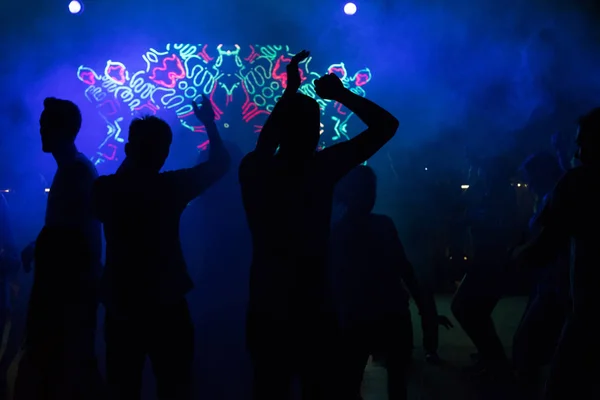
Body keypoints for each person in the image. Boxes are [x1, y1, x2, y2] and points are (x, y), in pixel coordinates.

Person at [239, 50, 399, 400]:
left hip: (266, 297)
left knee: (269, 387)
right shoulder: (319, 168)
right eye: (316, 125)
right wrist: (341, 94)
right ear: (314, 131)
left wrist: (289, 93)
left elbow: (265, 145)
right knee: (320, 388)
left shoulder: (255, 170)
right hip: (313, 301)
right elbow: (387, 126)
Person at [92, 95, 230, 400]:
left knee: (122, 387)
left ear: (129, 148)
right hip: (167, 303)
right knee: (175, 385)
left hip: (122, 304)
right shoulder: (169, 187)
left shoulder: (106, 190)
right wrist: (209, 122)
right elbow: (220, 163)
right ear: (164, 154)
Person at [329, 165, 453, 400]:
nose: (372, 196)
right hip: (392, 314)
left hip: (357, 317)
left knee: (351, 383)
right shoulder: (383, 224)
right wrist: (425, 309)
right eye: (369, 191)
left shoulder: (338, 231)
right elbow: (404, 268)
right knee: (397, 384)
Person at [14, 97, 103, 400]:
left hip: (67, 298)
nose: (40, 130)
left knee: (60, 375)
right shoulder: (74, 169)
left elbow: (73, 237)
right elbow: (67, 227)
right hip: (69, 296)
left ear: (62, 129)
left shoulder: (75, 172)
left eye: (45, 125)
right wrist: (36, 245)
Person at [515, 108, 600, 399]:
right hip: (572, 299)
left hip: (585, 310)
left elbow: (544, 246)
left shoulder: (578, 182)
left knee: (559, 384)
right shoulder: (574, 180)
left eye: (584, 141)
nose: (579, 149)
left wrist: (514, 258)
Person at [451, 159, 518, 377]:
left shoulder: (498, 194)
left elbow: (499, 225)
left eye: (479, 168)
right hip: (489, 258)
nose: (475, 172)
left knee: (463, 307)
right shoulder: (493, 192)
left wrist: (470, 218)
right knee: (476, 310)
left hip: (490, 260)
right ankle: (490, 356)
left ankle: (494, 361)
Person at [512, 152, 568, 392]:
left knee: (527, 346)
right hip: (547, 282)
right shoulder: (547, 198)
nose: (529, 183)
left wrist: (520, 254)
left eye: (531, 177)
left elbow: (548, 241)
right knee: (533, 346)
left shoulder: (555, 199)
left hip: (556, 284)